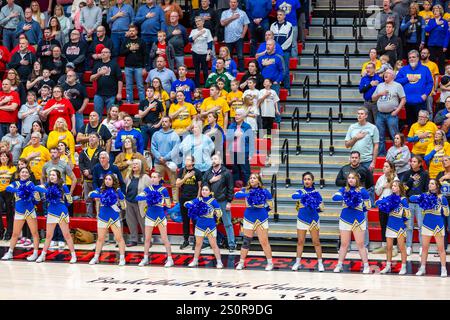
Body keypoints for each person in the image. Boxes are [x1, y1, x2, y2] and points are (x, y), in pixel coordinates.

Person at [34, 170, 77, 264]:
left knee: (67, 235)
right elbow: (37, 187)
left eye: (53, 175)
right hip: (51, 212)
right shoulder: (47, 185)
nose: (51, 176)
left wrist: (63, 206)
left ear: (58, 176)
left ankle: (73, 255)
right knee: (48, 235)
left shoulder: (64, 186)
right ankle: (43, 255)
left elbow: (69, 201)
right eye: (50, 175)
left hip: (61, 212)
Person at [332, 171, 371, 274]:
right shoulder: (344, 190)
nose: (350, 180)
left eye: (353, 178)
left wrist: (361, 206)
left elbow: (369, 206)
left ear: (357, 179)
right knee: (344, 244)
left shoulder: (363, 191)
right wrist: (344, 196)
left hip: (358, 220)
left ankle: (366, 265)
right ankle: (339, 264)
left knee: (360, 244)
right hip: (345, 219)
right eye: (349, 178)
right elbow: (334, 197)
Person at [234, 173, 274, 270]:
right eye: (251, 178)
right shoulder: (245, 190)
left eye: (254, 178)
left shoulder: (264, 191)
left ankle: (270, 263)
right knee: (246, 241)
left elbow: (271, 204)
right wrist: (248, 194)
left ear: (259, 181)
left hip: (261, 218)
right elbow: (236, 195)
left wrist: (264, 209)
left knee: (264, 241)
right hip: (249, 217)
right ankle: (242, 262)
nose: (252, 179)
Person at [410, 179, 449, 277]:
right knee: (424, 248)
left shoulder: (442, 198)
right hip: (426, 225)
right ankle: (422, 268)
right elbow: (411, 198)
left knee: (441, 249)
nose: (430, 185)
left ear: (437, 186)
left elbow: (447, 213)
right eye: (429, 183)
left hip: (438, 226)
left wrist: (444, 207)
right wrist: (420, 197)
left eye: (432, 183)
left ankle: (443, 269)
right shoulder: (425, 195)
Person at [1, 167, 40, 261]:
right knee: (15, 234)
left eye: (26, 172)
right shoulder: (15, 184)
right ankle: (10, 252)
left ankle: (35, 253)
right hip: (19, 211)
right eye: (22, 172)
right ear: (19, 174)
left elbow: (37, 200)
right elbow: (8, 188)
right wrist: (18, 191)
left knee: (34, 233)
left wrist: (36, 198)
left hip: (30, 211)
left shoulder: (30, 184)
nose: (24, 174)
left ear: (29, 175)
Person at [136, 171, 174, 267]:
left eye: (154, 177)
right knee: (147, 239)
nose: (152, 179)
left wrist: (161, 203)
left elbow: (169, 204)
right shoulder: (147, 189)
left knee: (164, 238)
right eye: (151, 177)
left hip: (160, 216)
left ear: (159, 178)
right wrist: (143, 197)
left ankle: (170, 259)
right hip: (149, 216)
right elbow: (138, 197)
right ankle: (145, 258)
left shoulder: (163, 190)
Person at [88, 174, 127, 266]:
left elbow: (124, 206)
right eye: (106, 179)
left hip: (114, 217)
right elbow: (91, 194)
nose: (107, 181)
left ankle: (122, 257)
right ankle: (96, 257)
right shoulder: (100, 189)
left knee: (119, 238)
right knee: (100, 238)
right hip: (102, 217)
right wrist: (101, 196)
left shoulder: (117, 191)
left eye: (109, 179)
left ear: (113, 181)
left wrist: (120, 193)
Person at [291, 172, 325, 272]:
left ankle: (320, 263)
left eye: (309, 179)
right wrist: (298, 196)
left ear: (312, 181)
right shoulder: (300, 191)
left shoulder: (317, 193)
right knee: (300, 241)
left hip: (314, 220)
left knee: (316, 242)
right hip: (302, 219)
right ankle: (297, 262)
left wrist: (314, 206)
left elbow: (322, 208)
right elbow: (294, 196)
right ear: (303, 181)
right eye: (305, 179)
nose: (307, 181)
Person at [375, 180, 410, 275]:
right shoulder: (389, 198)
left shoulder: (403, 200)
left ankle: (403, 266)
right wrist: (379, 202)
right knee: (389, 247)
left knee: (402, 247)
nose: (393, 187)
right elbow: (380, 202)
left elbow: (408, 214)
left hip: (399, 226)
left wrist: (405, 219)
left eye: (395, 186)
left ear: (399, 188)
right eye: (392, 186)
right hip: (390, 224)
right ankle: (388, 266)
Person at [185, 184, 224, 268]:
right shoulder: (198, 199)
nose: (204, 191)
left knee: (213, 244)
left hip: (210, 225)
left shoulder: (213, 201)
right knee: (198, 244)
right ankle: (195, 261)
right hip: (200, 225)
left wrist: (215, 212)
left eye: (206, 190)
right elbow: (186, 203)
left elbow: (220, 214)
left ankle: (219, 262)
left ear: (210, 192)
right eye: (203, 190)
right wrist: (192, 206)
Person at [202, 154, 235, 251]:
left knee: (227, 223)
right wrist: (210, 181)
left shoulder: (226, 173)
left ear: (220, 161)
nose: (213, 160)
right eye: (212, 159)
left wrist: (229, 201)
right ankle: (207, 242)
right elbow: (204, 184)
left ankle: (232, 244)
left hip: (223, 201)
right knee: (208, 222)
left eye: (215, 159)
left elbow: (230, 188)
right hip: (211, 202)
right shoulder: (208, 172)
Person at [371, 69, 405, 156]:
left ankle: (397, 154)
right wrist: (379, 94)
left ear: (393, 76)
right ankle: (381, 155)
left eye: (388, 73)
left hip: (391, 114)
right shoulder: (380, 85)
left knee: (395, 135)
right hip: (380, 114)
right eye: (385, 73)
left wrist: (397, 110)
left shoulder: (397, 85)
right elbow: (373, 98)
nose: (385, 74)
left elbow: (403, 99)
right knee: (380, 136)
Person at [395, 50, 433, 127]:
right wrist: (407, 79)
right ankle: (412, 138)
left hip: (420, 100)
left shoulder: (425, 69)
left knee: (422, 123)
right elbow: (396, 81)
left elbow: (430, 83)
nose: (411, 59)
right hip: (407, 101)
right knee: (410, 124)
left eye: (413, 57)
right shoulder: (403, 69)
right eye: (410, 58)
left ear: (418, 58)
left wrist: (425, 95)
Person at [176, 155, 202, 249]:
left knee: (195, 220)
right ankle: (186, 240)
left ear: (193, 162)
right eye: (186, 159)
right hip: (183, 199)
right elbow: (177, 184)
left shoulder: (197, 172)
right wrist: (185, 177)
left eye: (188, 159)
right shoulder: (182, 171)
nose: (186, 161)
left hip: (194, 199)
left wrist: (197, 199)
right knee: (185, 220)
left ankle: (196, 241)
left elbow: (200, 187)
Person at [123, 158, 150, 247]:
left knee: (143, 223)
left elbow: (151, 190)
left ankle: (147, 241)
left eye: (136, 164)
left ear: (141, 166)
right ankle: (134, 240)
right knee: (131, 222)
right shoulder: (129, 176)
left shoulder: (145, 177)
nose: (134, 165)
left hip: (141, 204)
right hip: (129, 202)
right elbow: (125, 188)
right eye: (133, 164)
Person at [90, 47, 123, 120]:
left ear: (110, 54)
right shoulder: (97, 65)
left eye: (105, 52)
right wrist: (99, 73)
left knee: (111, 116)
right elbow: (91, 78)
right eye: (102, 52)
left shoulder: (114, 65)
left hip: (111, 95)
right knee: (97, 116)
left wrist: (119, 93)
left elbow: (120, 80)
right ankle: (97, 130)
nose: (103, 53)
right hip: (99, 94)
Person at [374, 161, 399, 254]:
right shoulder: (381, 178)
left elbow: (397, 192)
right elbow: (377, 192)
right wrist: (383, 186)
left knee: (393, 226)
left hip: (392, 206)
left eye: (387, 166)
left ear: (391, 168)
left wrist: (391, 185)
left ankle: (394, 247)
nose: (384, 168)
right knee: (383, 225)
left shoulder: (395, 179)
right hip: (382, 205)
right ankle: (384, 246)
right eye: (383, 166)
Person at [134, 0, 166, 70]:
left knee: (156, 53)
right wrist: (146, 16)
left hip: (156, 36)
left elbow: (163, 21)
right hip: (144, 35)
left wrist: (162, 34)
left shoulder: (159, 9)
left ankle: (156, 68)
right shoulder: (141, 9)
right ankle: (147, 69)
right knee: (146, 53)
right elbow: (136, 21)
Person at [226, 109, 255, 184]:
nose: (236, 116)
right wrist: (234, 135)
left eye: (238, 115)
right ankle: (237, 187)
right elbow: (228, 138)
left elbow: (251, 141)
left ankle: (247, 186)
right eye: (235, 114)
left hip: (244, 152)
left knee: (245, 171)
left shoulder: (247, 126)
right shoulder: (232, 125)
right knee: (235, 170)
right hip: (233, 151)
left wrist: (251, 154)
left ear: (243, 116)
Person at [220, 0, 249, 72]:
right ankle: (228, 72)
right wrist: (232, 18)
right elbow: (222, 23)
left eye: (234, 2)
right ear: (229, 3)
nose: (233, 3)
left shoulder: (242, 13)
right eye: (231, 2)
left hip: (239, 38)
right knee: (228, 57)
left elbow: (246, 24)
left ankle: (241, 72)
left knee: (240, 56)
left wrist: (243, 35)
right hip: (228, 38)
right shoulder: (225, 13)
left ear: (237, 3)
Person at [120, 24, 146, 103]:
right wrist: (129, 49)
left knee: (140, 86)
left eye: (133, 31)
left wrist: (144, 67)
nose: (131, 32)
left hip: (139, 67)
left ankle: (142, 103)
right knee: (128, 86)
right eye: (130, 31)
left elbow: (145, 55)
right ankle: (129, 102)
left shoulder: (141, 41)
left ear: (137, 32)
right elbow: (121, 53)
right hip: (128, 66)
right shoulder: (125, 41)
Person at [270, 9, 292, 93]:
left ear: (284, 16)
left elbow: (289, 39)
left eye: (280, 15)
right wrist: (274, 48)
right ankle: (274, 88)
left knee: (285, 69)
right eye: (278, 15)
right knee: (275, 69)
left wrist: (280, 49)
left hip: (285, 51)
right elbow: (271, 38)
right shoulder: (273, 25)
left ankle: (287, 88)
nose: (279, 16)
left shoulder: (289, 25)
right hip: (274, 51)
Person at [189, 16, 213, 88]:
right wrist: (198, 34)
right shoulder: (193, 31)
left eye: (199, 21)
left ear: (203, 22)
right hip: (195, 52)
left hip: (204, 53)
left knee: (205, 71)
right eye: (196, 21)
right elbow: (190, 40)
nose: (197, 22)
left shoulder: (207, 31)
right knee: (197, 71)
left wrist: (208, 54)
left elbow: (210, 43)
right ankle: (197, 86)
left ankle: (206, 86)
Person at [425, 4, 448, 74]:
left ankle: (441, 79)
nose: (435, 12)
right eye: (434, 10)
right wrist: (436, 24)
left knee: (441, 63)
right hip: (431, 45)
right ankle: (432, 76)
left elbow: (447, 35)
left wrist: (445, 45)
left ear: (440, 12)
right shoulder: (431, 21)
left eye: (437, 11)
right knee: (432, 62)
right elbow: (427, 29)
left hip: (441, 46)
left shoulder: (445, 22)